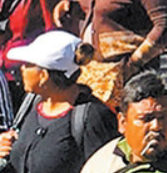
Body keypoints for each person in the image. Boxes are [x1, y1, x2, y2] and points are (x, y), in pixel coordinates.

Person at [0, 30, 117, 173]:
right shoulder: (33, 103)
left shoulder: (91, 117)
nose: (22, 68)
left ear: (43, 76)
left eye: (28, 64)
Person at [79, 71, 167, 173]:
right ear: (123, 123)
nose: (156, 127)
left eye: (164, 118)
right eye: (146, 119)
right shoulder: (105, 161)